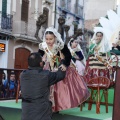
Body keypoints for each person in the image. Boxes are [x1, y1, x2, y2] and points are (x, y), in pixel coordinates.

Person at [38, 27, 90, 112]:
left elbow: (68, 56)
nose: (48, 41)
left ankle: (57, 107)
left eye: (50, 39)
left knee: (59, 89)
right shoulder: (43, 46)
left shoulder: (61, 45)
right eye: (47, 39)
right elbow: (38, 56)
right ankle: (48, 107)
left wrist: (65, 64)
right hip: (48, 68)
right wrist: (41, 61)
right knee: (48, 87)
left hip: (59, 67)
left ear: (55, 37)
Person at [20, 52, 66, 120]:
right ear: (40, 63)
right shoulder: (46, 75)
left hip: (26, 114)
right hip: (42, 114)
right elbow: (60, 75)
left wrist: (42, 62)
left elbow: (35, 69)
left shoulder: (23, 74)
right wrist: (62, 61)